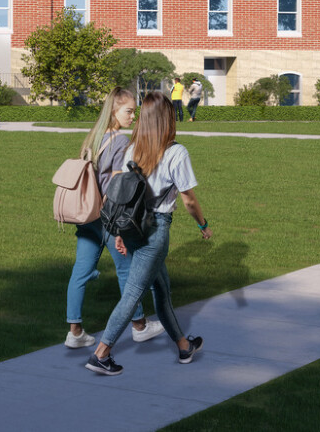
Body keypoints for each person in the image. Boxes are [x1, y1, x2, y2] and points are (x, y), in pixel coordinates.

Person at [88, 97, 211, 375]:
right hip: (154, 230)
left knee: (162, 290)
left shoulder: (133, 148)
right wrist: (203, 225)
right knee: (133, 295)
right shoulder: (176, 152)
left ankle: (183, 346)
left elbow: (124, 194)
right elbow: (189, 199)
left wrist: (120, 233)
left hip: (132, 227)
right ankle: (101, 353)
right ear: (168, 119)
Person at [65, 88, 158, 349]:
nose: (133, 116)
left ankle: (75, 331)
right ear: (114, 111)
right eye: (128, 111)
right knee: (126, 271)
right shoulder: (119, 140)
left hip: (86, 215)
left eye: (134, 111)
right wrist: (118, 228)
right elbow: (116, 187)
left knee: (80, 272)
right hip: (108, 216)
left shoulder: (93, 138)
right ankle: (139, 325)